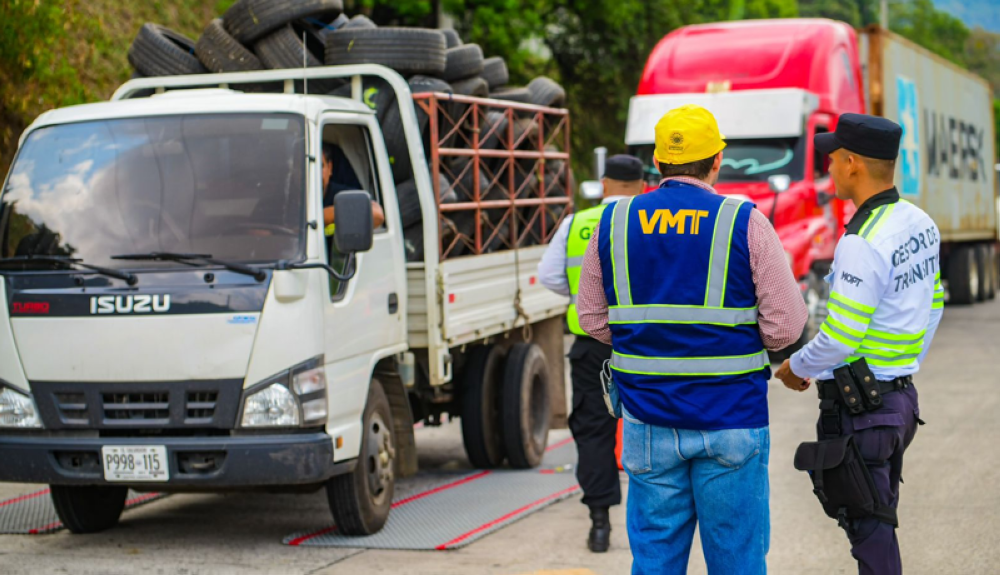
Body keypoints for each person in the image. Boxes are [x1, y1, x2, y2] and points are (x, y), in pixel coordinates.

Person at [576, 104, 807, 574]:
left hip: (647, 417)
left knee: (655, 560)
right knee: (737, 560)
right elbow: (785, 327)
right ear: (717, 160)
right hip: (731, 417)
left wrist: (647, 339)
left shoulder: (613, 222)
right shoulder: (745, 221)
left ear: (657, 162)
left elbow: (592, 319)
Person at [775, 113, 943, 575]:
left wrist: (797, 367)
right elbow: (934, 303)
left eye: (832, 159)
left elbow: (841, 335)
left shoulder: (862, 240)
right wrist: (904, 363)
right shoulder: (920, 222)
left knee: (870, 531)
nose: (828, 168)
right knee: (877, 521)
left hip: (864, 412)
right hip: (899, 402)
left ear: (852, 163)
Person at [537, 154, 646, 553]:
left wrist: (583, 298)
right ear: (642, 186)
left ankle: (600, 524)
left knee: (594, 430)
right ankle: (653, 522)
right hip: (646, 343)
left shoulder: (576, 223)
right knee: (653, 426)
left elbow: (548, 275)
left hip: (591, 347)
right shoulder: (650, 221)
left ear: (603, 184)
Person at [322, 142, 385, 229]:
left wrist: (324, 215)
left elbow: (377, 214)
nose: (314, 174)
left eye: (320, 166)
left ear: (330, 168)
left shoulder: (342, 194)